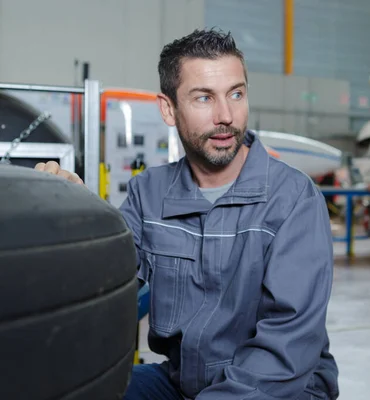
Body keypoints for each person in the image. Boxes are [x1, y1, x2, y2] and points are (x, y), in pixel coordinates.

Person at [34, 28, 339, 400]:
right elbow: (104, 274)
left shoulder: (293, 199)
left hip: (280, 389)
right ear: (168, 108)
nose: (226, 116)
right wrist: (75, 216)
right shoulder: (150, 193)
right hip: (184, 384)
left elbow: (286, 350)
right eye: (204, 98)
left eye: (236, 94)